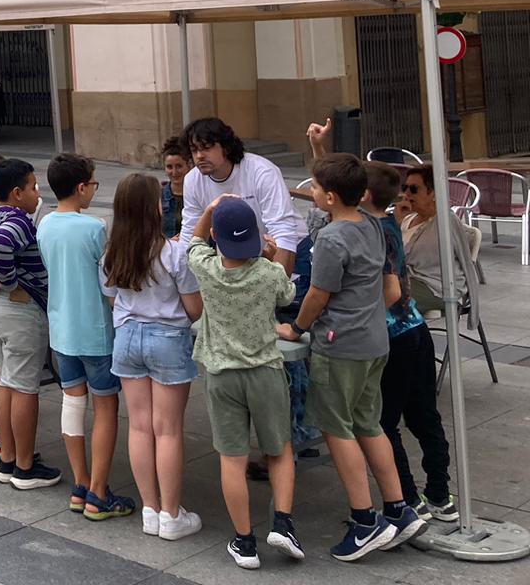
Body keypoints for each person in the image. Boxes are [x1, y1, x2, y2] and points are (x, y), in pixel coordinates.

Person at [277, 153, 425, 559]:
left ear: (326, 197)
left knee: (336, 427)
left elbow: (317, 294)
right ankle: (398, 508)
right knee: (368, 422)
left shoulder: (331, 238)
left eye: (315, 188)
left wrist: (297, 328)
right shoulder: (375, 227)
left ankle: (364, 520)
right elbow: (385, 285)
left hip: (340, 344)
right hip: (375, 340)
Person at [188, 195, 302, 569]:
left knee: (232, 459)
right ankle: (283, 524)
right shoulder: (268, 274)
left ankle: (244, 541)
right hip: (265, 371)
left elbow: (193, 241)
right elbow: (288, 294)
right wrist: (269, 257)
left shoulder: (206, 267)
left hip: (222, 375)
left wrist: (207, 212)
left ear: (218, 238)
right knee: (279, 450)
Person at [99, 173, 203, 541]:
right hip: (168, 340)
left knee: (140, 426)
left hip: (126, 338)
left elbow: (113, 297)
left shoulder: (112, 252)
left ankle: (149, 510)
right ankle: (172, 514)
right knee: (168, 430)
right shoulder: (174, 253)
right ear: (153, 208)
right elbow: (194, 310)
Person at [37, 153, 133, 520]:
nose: (94, 190)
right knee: (106, 408)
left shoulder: (45, 224)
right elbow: (108, 280)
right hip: (95, 331)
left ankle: (80, 483)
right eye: (93, 184)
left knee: (72, 405)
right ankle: (98, 491)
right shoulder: (94, 228)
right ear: (81, 188)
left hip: (61, 330)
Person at [363, 163, 455, 523]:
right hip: (415, 326)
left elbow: (389, 290)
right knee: (424, 415)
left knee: (384, 422)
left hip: (393, 335)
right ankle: (438, 494)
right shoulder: (392, 224)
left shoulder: (371, 231)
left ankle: (406, 499)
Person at [0, 158, 60, 489]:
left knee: (7, 384)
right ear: (16, 192)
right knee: (24, 387)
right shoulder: (17, 220)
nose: (37, 193)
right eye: (33, 187)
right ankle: (24, 467)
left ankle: (7, 460)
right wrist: (9, 281)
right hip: (17, 311)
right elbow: (1, 246)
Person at [178, 117, 305, 273]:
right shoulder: (192, 180)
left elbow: (284, 231)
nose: (199, 156)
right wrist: (182, 276)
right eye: (194, 150)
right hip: (239, 256)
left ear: (226, 147)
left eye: (206, 148)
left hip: (291, 252)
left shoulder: (261, 172)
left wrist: (280, 287)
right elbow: (190, 232)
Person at [398, 165, 471, 317]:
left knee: (386, 299)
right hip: (409, 280)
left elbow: (406, 258)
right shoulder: (408, 219)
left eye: (414, 189)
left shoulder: (445, 222)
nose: (406, 194)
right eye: (405, 188)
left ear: (432, 192)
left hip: (436, 286)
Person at [160, 137, 190, 240]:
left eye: (179, 166)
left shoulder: (198, 195)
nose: (174, 172)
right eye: (169, 167)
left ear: (189, 165)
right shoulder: (158, 196)